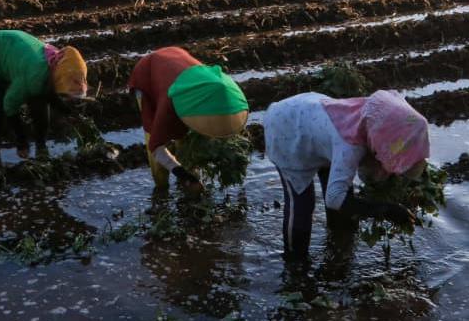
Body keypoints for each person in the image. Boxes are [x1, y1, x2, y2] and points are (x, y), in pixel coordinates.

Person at [264, 91, 429, 261]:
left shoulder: (375, 120)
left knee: (344, 208)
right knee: (302, 204)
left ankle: (339, 248)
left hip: (315, 124)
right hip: (287, 130)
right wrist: (385, 210)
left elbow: (405, 145)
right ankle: (295, 262)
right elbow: (334, 198)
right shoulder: (351, 146)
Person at [128, 47, 249, 193]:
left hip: (176, 59)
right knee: (155, 135)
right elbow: (156, 148)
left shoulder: (217, 88)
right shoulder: (168, 105)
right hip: (147, 74)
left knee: (185, 141)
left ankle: (186, 169)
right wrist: (185, 176)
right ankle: (161, 188)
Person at [0, 30, 88, 169]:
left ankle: (41, 147)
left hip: (15, 52)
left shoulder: (58, 66)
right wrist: (22, 141)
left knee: (40, 103)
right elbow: (9, 105)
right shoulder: (33, 77)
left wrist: (68, 113)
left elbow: (50, 94)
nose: (67, 96)